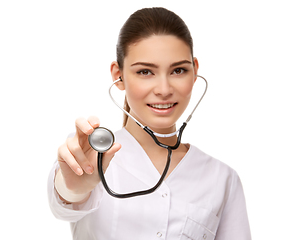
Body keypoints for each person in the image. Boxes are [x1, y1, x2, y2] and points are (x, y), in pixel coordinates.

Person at [47, 7, 251, 240]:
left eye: (178, 70)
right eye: (145, 72)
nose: (164, 90)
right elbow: (63, 202)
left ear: (194, 72)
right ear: (118, 75)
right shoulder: (89, 156)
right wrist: (74, 187)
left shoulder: (222, 179)